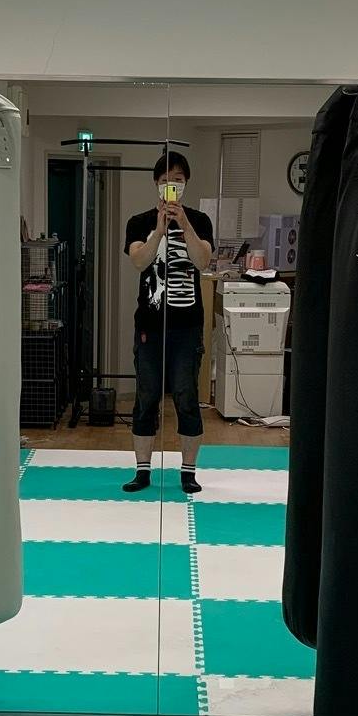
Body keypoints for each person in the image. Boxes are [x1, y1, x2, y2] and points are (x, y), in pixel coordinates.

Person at [122, 150, 215, 495]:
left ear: (186, 183)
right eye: (165, 180)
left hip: (187, 326)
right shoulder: (139, 222)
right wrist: (159, 231)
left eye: (177, 179)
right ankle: (142, 470)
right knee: (146, 397)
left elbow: (202, 261)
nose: (171, 185)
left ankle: (188, 471)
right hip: (149, 324)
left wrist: (184, 224)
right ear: (156, 184)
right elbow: (139, 261)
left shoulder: (200, 221)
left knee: (186, 397)